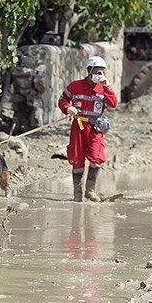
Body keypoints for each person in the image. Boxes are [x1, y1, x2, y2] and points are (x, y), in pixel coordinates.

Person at [57, 55, 118, 202]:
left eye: (102, 72)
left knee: (96, 158)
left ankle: (90, 191)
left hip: (95, 128)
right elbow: (62, 100)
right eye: (97, 72)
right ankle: (77, 194)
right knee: (77, 159)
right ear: (89, 71)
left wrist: (107, 87)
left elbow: (114, 103)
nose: (100, 75)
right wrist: (68, 108)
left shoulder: (103, 88)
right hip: (78, 127)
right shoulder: (75, 85)